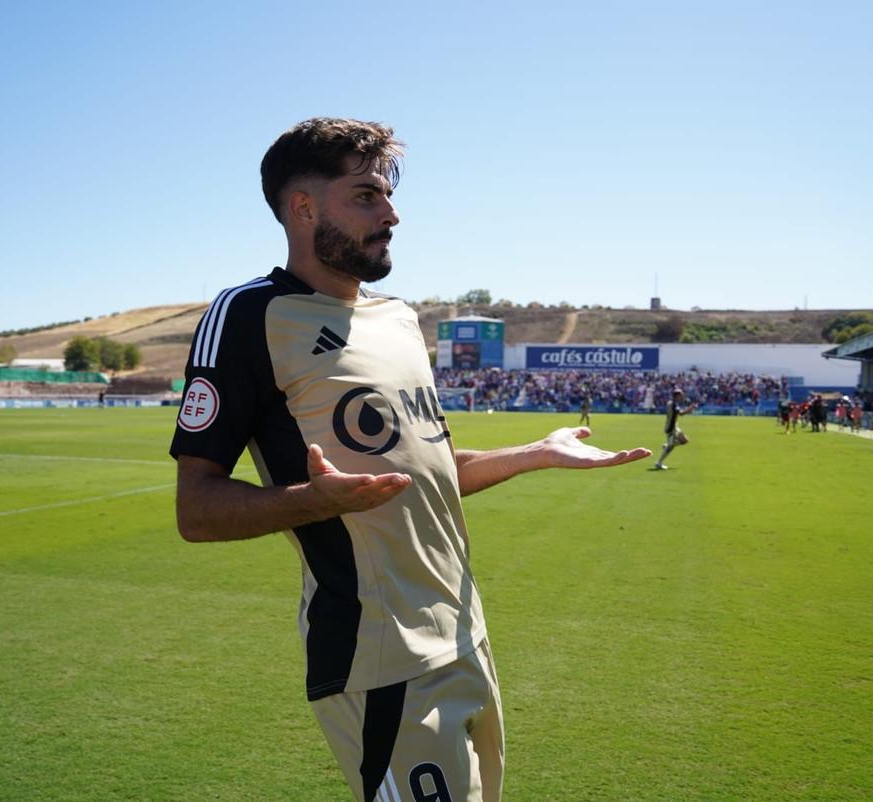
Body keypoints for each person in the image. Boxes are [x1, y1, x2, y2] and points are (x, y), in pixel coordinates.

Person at [169, 117, 651, 802]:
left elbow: (426, 468)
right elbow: (197, 509)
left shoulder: (397, 318)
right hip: (379, 655)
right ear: (302, 207)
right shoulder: (252, 315)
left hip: (466, 634)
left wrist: (534, 454)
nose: (391, 213)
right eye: (366, 195)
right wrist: (313, 502)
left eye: (389, 195)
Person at [654, 388, 697, 470]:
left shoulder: (672, 403)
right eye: (681, 395)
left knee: (685, 440)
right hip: (671, 428)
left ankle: (668, 445)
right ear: (677, 396)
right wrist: (690, 408)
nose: (682, 397)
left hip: (675, 427)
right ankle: (658, 462)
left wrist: (689, 410)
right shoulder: (674, 404)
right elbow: (681, 414)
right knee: (671, 447)